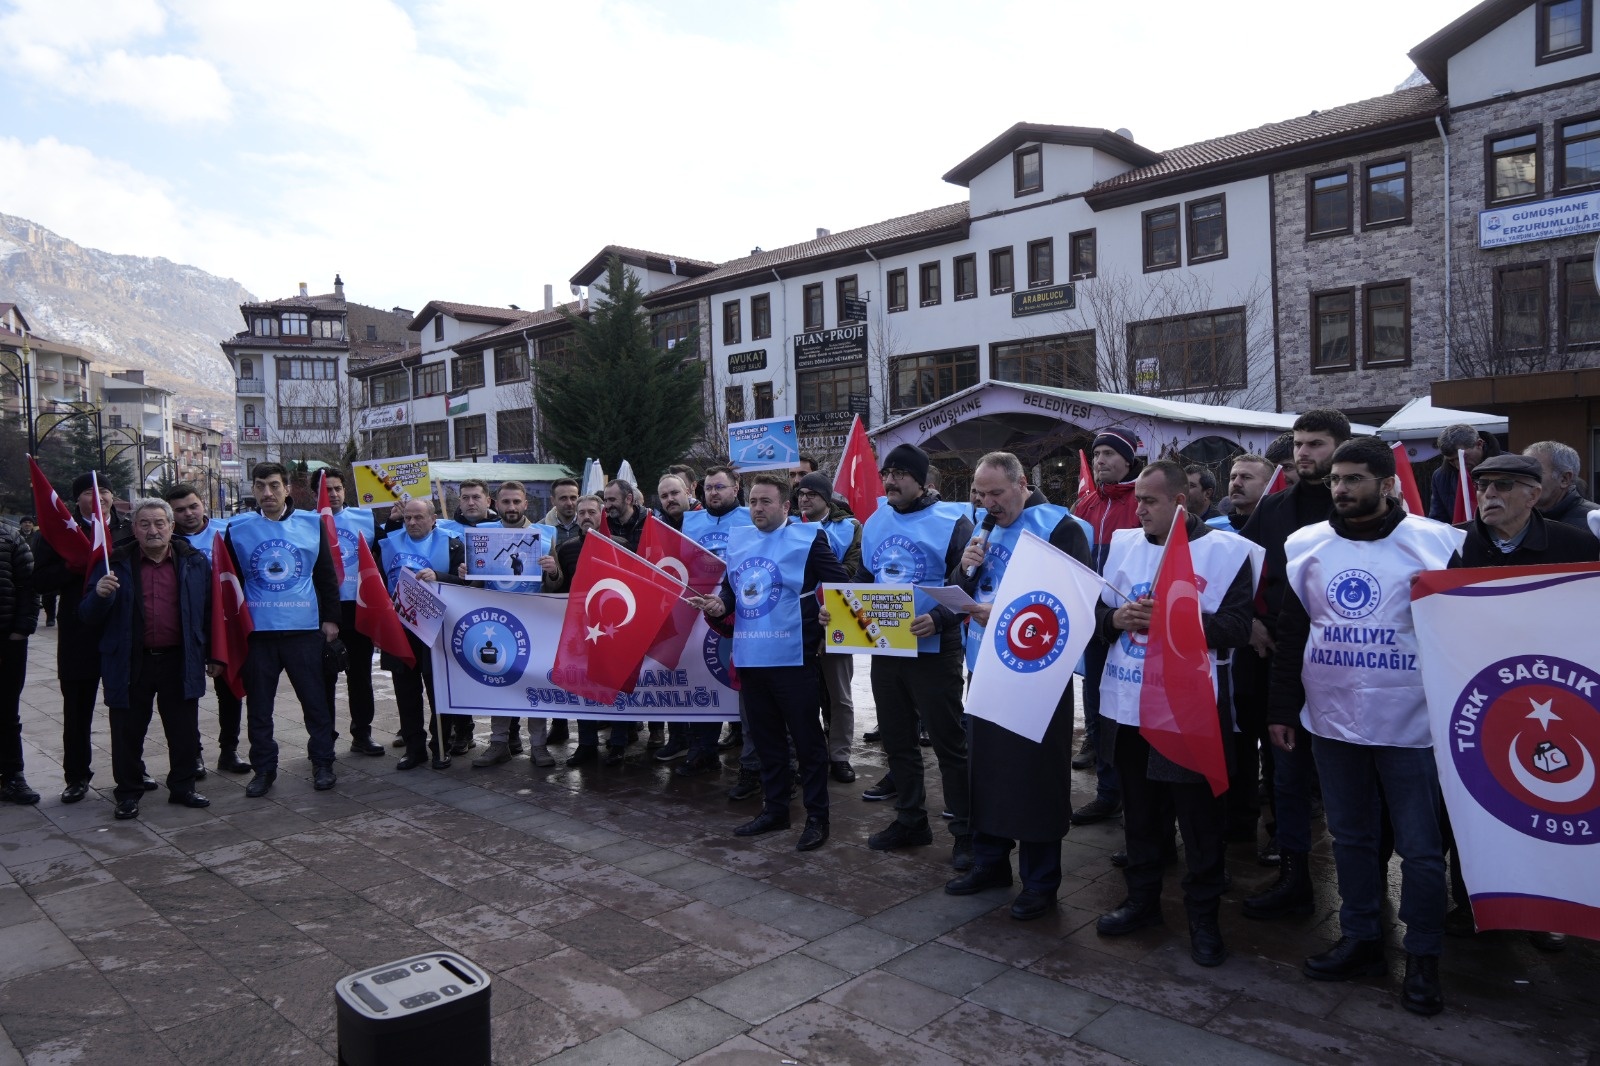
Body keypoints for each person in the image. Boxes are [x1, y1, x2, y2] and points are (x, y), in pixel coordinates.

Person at [1268, 435, 1464, 1015]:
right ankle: (1361, 938)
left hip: (1413, 723)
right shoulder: (1307, 545)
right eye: (1335, 479)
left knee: (1421, 848)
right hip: (1332, 719)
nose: (1341, 489)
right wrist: (1282, 708)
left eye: (1354, 478)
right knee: (1350, 837)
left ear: (1388, 484)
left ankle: (1423, 954)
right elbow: (1293, 631)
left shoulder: (1435, 543)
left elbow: (1459, 634)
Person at [1092, 461, 1257, 966]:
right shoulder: (1123, 545)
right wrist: (1116, 618)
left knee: (1199, 821)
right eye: (1137, 500)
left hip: (1188, 708)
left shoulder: (1227, 552)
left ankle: (1203, 917)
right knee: (1140, 816)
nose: (1138, 509)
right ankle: (1141, 901)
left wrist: (1172, 618)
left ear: (1180, 502)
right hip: (1129, 701)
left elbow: (1237, 627)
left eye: (1149, 501)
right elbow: (1096, 616)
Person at [1442, 453, 1598, 952]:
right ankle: (1472, 900)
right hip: (1476, 698)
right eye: (1482, 485)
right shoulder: (1453, 545)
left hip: (1555, 696)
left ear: (1533, 495)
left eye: (1503, 485)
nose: (1489, 494)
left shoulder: (1577, 545)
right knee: (1475, 799)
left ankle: (1548, 907)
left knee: (1550, 800)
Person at [950, 452, 1094, 919]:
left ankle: (1040, 881)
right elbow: (962, 590)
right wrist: (965, 569)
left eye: (996, 493)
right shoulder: (981, 527)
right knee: (985, 773)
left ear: (1022, 484)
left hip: (1035, 676)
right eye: (980, 494)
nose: (988, 503)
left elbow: (1075, 603)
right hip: (984, 669)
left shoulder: (1060, 528)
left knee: (1035, 779)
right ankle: (990, 862)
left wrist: (1006, 615)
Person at [693, 473, 847, 851]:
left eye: (766, 502)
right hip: (750, 657)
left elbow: (841, 584)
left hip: (794, 658)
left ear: (786, 506)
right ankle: (775, 809)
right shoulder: (740, 539)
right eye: (753, 502)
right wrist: (719, 604)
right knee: (767, 742)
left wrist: (827, 617)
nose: (757, 508)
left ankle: (817, 818)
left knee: (808, 744)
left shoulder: (809, 538)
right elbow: (732, 590)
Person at [1241, 408, 1350, 914]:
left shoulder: (1355, 509)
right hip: (1280, 659)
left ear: (1341, 447)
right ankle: (1292, 874)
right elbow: (1240, 570)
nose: (1303, 453)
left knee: (1349, 779)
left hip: (1347, 664)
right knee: (1284, 770)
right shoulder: (1273, 508)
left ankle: (1362, 892)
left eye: (1316, 444)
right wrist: (1250, 621)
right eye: (1299, 443)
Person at [854, 442, 975, 867]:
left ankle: (966, 832)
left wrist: (939, 619)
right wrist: (840, 611)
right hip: (887, 649)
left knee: (949, 743)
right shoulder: (875, 521)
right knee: (897, 740)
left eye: (900, 473)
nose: (890, 480)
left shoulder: (953, 521)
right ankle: (910, 820)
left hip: (935, 649)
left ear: (922, 481)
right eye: (887, 473)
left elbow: (968, 584)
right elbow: (862, 580)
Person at [81, 498, 212, 819]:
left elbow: (208, 612)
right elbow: (86, 615)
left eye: (159, 523)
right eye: (144, 524)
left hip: (179, 659)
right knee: (127, 731)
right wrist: (99, 595)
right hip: (129, 661)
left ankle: (183, 787)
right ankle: (128, 793)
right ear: (134, 529)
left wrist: (212, 655)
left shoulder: (194, 561)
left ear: (171, 527)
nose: (153, 530)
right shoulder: (113, 562)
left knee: (183, 730)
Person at [220, 462, 342, 798]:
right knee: (259, 707)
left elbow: (326, 574)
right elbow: (230, 581)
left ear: (287, 488)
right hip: (259, 633)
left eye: (274, 485)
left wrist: (331, 619)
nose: (267, 492)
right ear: (253, 489)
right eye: (260, 485)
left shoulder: (311, 523)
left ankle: (323, 763)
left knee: (315, 702)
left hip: (304, 630)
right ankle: (263, 769)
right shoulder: (238, 528)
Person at [31, 472, 137, 803]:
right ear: (77, 499)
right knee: (77, 710)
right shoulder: (59, 532)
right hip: (79, 633)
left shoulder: (129, 528)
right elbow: (39, 581)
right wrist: (73, 565)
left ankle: (132, 769)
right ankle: (76, 775)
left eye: (104, 490)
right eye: (90, 492)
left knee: (129, 707)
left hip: (122, 630)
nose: (99, 497)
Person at [1069, 430, 1142, 817]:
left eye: (1110, 453)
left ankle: (1137, 796)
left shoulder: (1142, 501)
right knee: (1097, 708)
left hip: (1132, 624)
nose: (1100, 460)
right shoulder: (1085, 504)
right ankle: (1108, 792)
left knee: (1129, 711)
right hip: (1092, 620)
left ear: (1128, 461)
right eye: (1097, 453)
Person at [542, 496, 638, 768]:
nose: (586, 516)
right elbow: (559, 588)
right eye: (581, 512)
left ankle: (618, 743)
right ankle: (586, 744)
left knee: (615, 684)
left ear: (601, 514)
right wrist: (553, 574)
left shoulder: (621, 545)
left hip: (614, 629)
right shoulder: (567, 548)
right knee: (582, 687)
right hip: (581, 630)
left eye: (591, 512)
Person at [376, 498, 466, 769]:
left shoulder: (452, 544)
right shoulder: (389, 543)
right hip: (400, 629)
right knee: (405, 692)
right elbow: (377, 580)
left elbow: (468, 583)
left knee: (438, 691)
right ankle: (414, 748)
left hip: (437, 630)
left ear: (433, 519)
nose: (412, 523)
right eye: (408, 518)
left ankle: (441, 746)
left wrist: (440, 576)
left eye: (419, 517)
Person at [684, 465, 759, 788]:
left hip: (743, 613)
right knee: (704, 680)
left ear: (736, 488)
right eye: (709, 488)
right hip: (699, 613)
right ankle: (704, 749)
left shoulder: (750, 517)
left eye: (719, 487)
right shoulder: (690, 521)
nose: (713, 493)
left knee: (745, 687)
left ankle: (752, 756)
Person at [470, 481, 554, 766]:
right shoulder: (482, 535)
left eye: (517, 501)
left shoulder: (545, 535)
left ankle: (539, 746)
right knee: (500, 683)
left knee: (534, 683)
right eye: (506, 502)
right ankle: (498, 742)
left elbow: (556, 585)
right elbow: (475, 584)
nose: (511, 507)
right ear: (496, 504)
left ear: (525, 504)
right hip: (496, 622)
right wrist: (466, 572)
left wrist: (553, 571)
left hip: (533, 622)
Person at [166, 483, 247, 775]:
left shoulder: (226, 531)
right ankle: (193, 754)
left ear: (203, 504)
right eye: (180, 510)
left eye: (193, 506)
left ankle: (229, 751)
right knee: (186, 694)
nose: (188, 513)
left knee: (230, 690)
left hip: (222, 623)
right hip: (183, 626)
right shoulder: (166, 538)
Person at [796, 471, 862, 783]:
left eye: (811, 494)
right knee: (803, 695)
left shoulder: (850, 527)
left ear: (826, 497)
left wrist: (822, 581)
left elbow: (853, 569)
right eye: (800, 494)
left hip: (839, 616)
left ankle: (840, 756)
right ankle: (811, 754)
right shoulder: (790, 526)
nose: (804, 499)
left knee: (840, 695)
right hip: (801, 621)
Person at [318, 470, 384, 758]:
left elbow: (386, 550)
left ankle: (362, 733)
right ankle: (325, 738)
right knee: (324, 679)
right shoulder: (308, 522)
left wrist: (396, 520)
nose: (333, 494)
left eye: (338, 488)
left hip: (357, 609)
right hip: (322, 612)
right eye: (327, 490)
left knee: (360, 677)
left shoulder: (364, 518)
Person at [0, 522, 39, 805]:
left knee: (6, 711)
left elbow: (29, 586)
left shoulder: (9, 537)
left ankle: (13, 776)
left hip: (7, 639)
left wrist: (20, 630)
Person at [1522, 440, 1599, 532]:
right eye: (1523, 473)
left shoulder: (1595, 522)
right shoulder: (1517, 518)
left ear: (1564, 479)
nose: (1523, 480)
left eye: (1534, 472)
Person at [1427, 424, 1498, 522]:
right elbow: (1438, 519)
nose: (1458, 465)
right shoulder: (1441, 477)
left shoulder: (1508, 468)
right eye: (1451, 461)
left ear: (1479, 444)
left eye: (1464, 457)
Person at [1209, 453, 1273, 532]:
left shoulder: (1280, 530)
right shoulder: (1209, 530)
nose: (1236, 483)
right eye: (1233, 477)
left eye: (1246, 477)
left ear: (1268, 484)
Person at [19, 517, 50, 627]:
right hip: (20, 566)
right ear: (21, 524)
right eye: (25, 522)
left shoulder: (37, 535)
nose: (27, 524)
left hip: (35, 565)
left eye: (29, 522)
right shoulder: (16, 535)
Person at [540, 477, 583, 545]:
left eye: (573, 498)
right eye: (563, 498)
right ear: (553, 500)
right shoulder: (540, 530)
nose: (569, 503)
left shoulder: (587, 526)